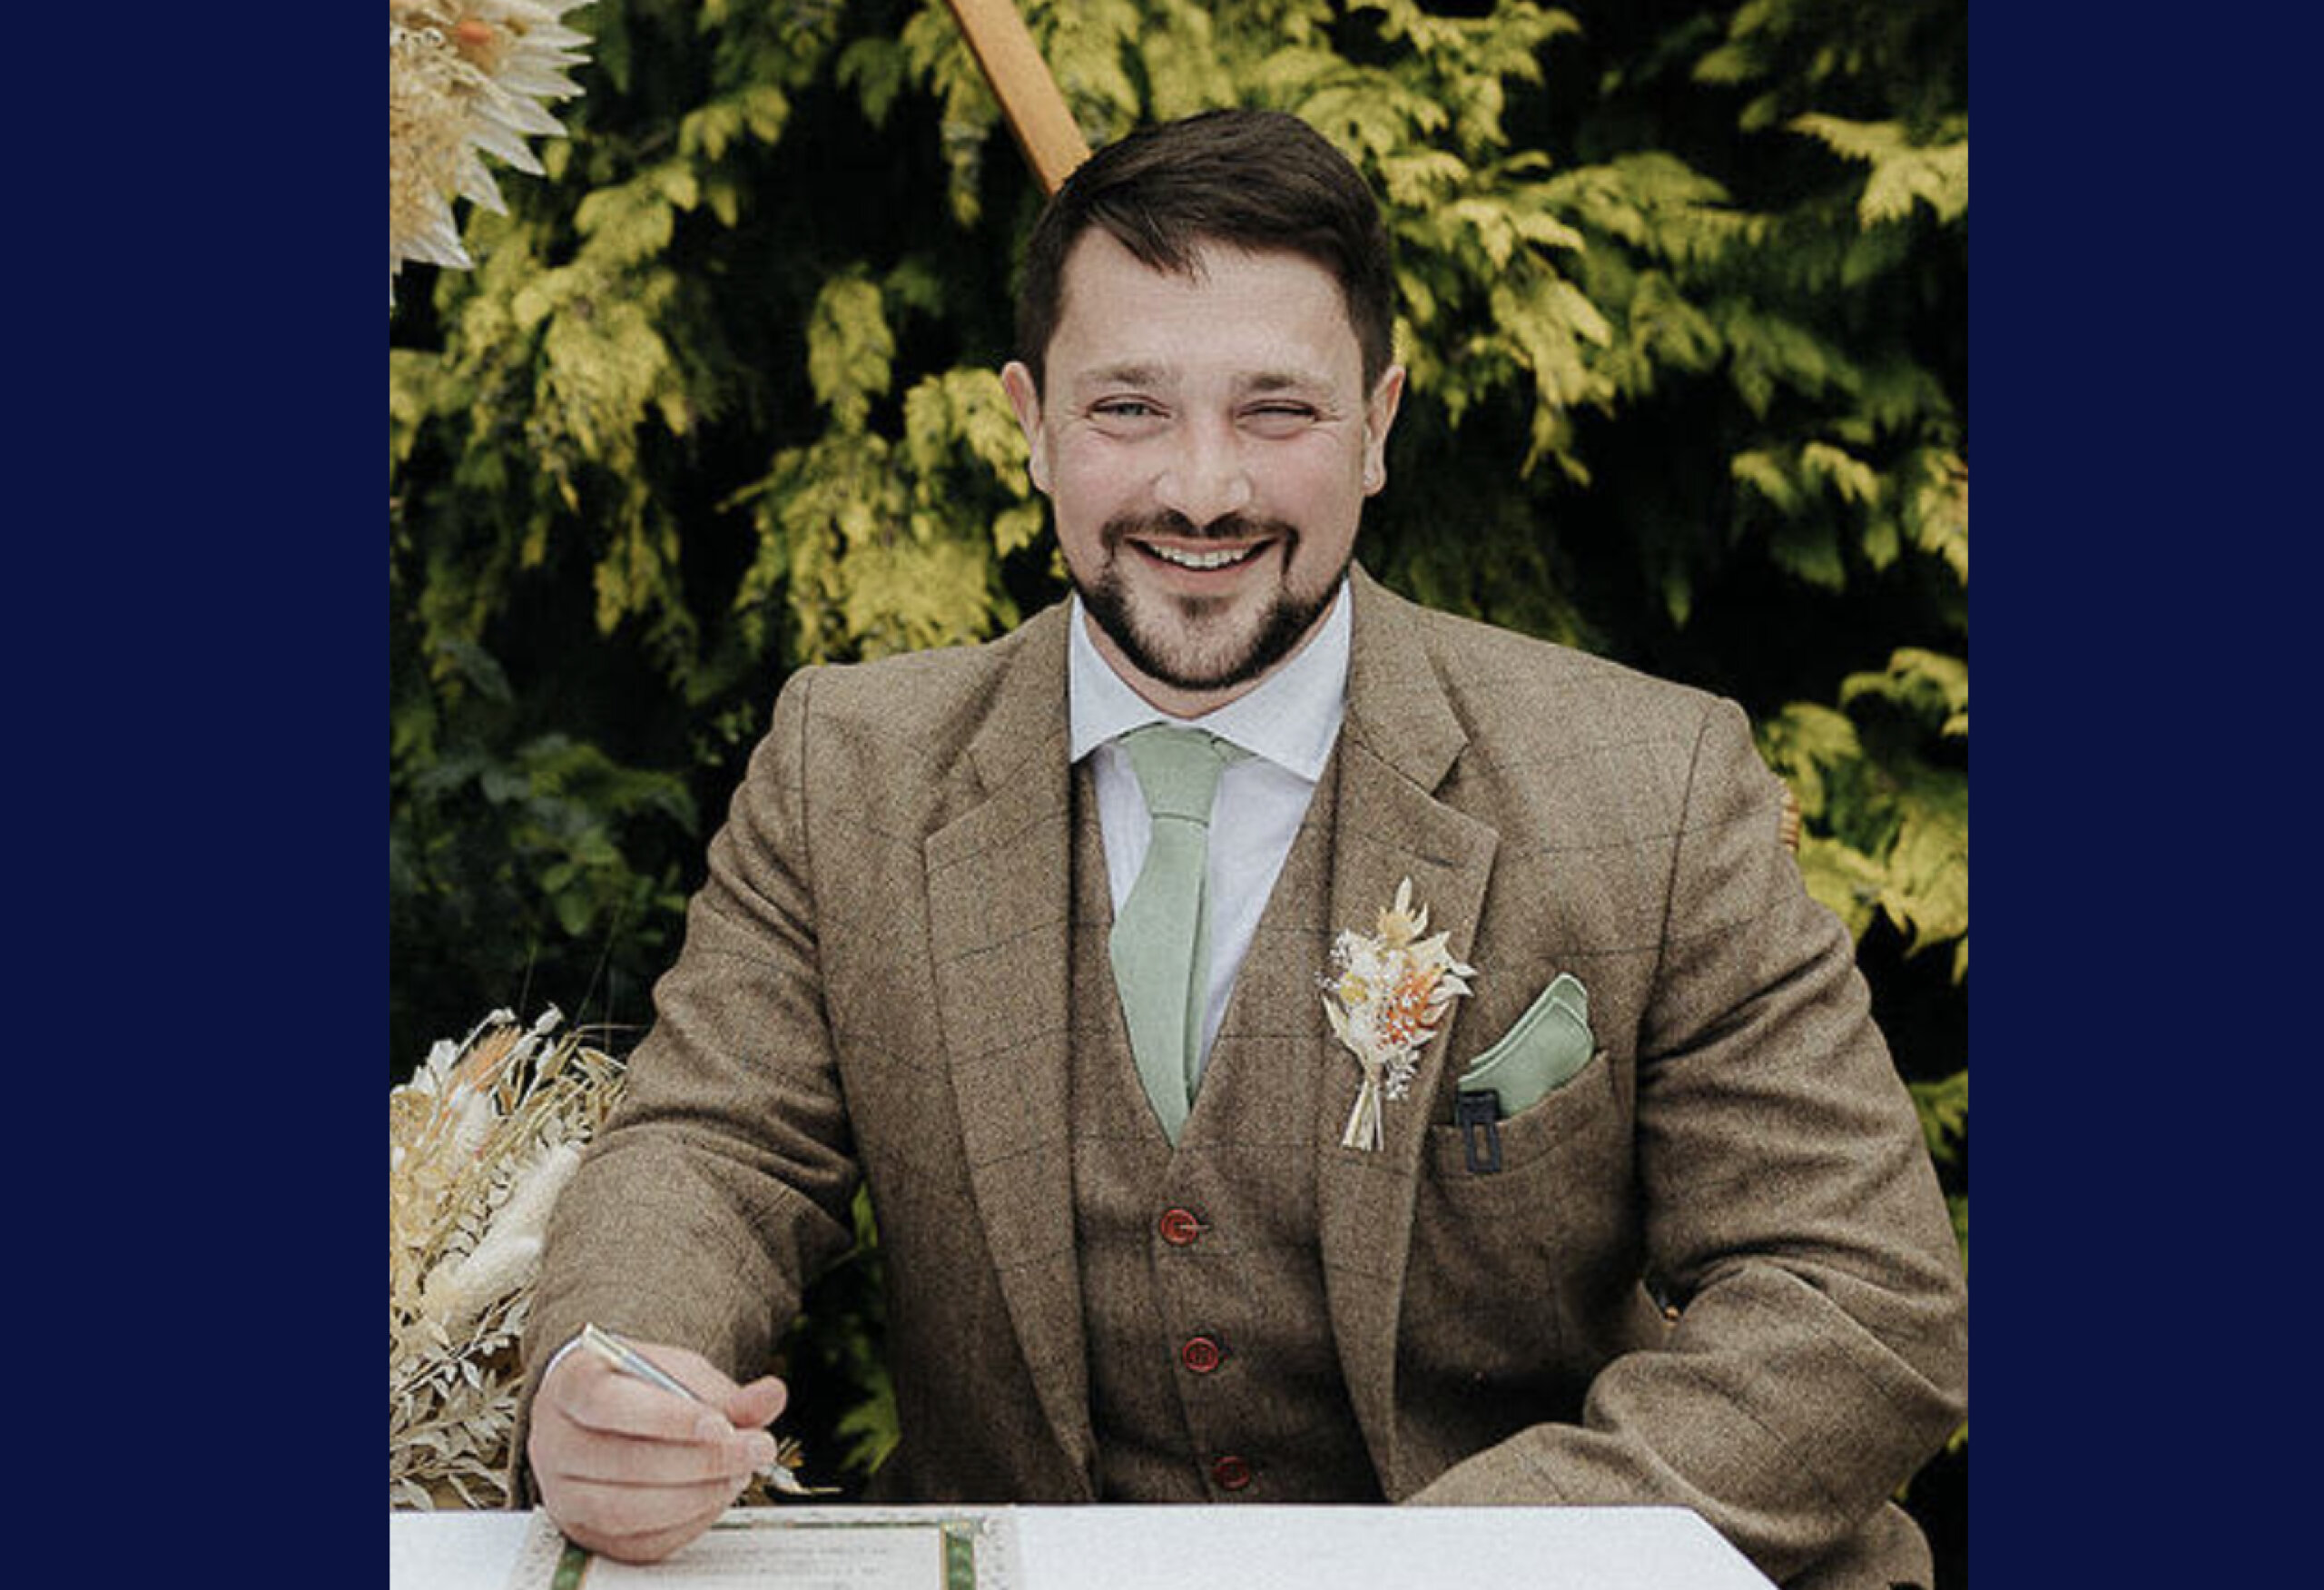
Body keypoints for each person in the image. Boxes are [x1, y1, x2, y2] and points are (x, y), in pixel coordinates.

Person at [516, 107, 1967, 1588]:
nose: (1202, 488)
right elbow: (714, 1149)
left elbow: (1854, 1294)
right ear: (1028, 423)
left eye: (1277, 411)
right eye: (1128, 409)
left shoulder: (1652, 787)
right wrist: (610, 1366)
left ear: (1379, 426)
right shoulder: (848, 767)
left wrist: (1435, 1570)